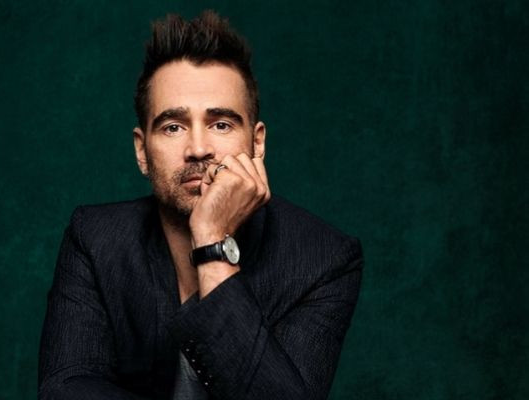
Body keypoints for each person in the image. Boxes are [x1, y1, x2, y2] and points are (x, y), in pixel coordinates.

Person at [38, 10, 363, 400]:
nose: (198, 149)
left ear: (257, 142)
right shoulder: (95, 238)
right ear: (142, 151)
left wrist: (212, 243)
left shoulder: (322, 259)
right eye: (173, 127)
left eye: (221, 124)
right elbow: (66, 389)